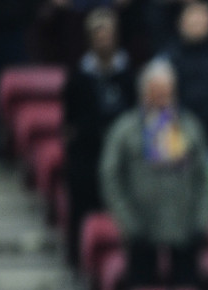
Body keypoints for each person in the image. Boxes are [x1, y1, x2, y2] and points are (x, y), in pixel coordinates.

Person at [100, 61, 208, 290]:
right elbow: (110, 176)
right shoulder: (125, 128)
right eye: (157, 91)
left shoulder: (189, 126)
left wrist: (201, 220)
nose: (163, 97)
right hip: (141, 229)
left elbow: (206, 177)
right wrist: (128, 221)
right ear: (144, 93)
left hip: (185, 228)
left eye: (168, 91)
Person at [61, 9, 135, 258]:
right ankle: (80, 264)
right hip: (87, 158)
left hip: (124, 158)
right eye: (98, 35)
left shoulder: (131, 76)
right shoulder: (78, 78)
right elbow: (69, 122)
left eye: (108, 35)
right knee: (83, 215)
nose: (103, 40)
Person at [159, 2, 208, 148]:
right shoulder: (167, 58)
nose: (197, 21)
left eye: (202, 16)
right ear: (181, 22)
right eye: (192, 16)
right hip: (179, 135)